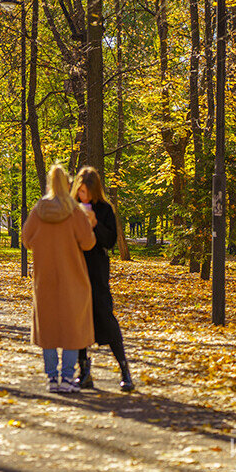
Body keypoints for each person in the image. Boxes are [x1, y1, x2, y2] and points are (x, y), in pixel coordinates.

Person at [21, 164, 97, 394]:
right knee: (72, 330)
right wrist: (90, 223)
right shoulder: (74, 211)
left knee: (49, 329)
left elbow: (26, 238)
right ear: (67, 183)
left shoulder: (39, 210)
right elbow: (88, 243)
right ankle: (66, 378)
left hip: (45, 280)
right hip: (73, 278)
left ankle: (51, 379)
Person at [72, 166, 135, 392]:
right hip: (76, 269)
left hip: (97, 269)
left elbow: (109, 242)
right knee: (78, 321)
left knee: (105, 316)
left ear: (94, 190)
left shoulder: (105, 209)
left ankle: (125, 370)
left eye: (86, 191)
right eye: (80, 191)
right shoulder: (72, 208)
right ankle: (84, 371)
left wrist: (95, 224)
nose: (83, 196)